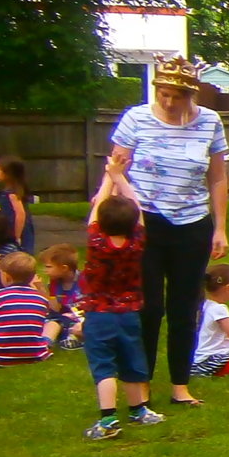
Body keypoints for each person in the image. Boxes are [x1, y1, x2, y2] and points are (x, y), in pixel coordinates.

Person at [104, 56, 229, 407]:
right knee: (148, 306)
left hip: (192, 223)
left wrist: (220, 228)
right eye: (163, 94)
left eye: (176, 95)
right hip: (145, 222)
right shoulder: (136, 118)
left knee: (185, 306)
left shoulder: (209, 122)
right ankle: (139, 384)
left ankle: (179, 385)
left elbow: (217, 177)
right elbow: (115, 169)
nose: (169, 101)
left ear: (191, 94)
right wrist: (107, 218)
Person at [80, 178, 158, 439]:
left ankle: (108, 419)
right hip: (129, 314)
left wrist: (106, 178)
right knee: (132, 360)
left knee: (104, 367)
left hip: (99, 314)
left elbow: (97, 207)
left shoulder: (96, 243)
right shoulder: (137, 242)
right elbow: (137, 207)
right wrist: (120, 177)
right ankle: (139, 410)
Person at [0, 253, 57, 365]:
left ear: (7, 277)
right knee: (53, 324)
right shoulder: (40, 297)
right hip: (35, 355)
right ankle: (44, 344)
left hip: (1, 356)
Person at [39, 244, 82, 347]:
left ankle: (73, 339)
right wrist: (41, 288)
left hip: (81, 317)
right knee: (52, 322)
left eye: (48, 267)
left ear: (64, 268)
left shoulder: (85, 281)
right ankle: (45, 344)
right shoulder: (54, 283)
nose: (45, 270)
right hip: (61, 317)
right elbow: (56, 308)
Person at [0, 154, 33, 253]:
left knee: (19, 255)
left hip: (17, 229)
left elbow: (20, 214)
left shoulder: (12, 193)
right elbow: (6, 209)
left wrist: (17, 236)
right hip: (9, 227)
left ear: (9, 173)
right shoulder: (8, 191)